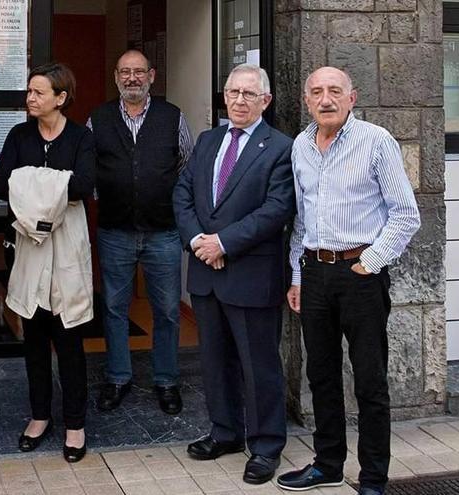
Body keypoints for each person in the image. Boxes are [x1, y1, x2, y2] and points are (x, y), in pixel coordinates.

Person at [276, 67, 421, 495]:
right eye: (317, 92)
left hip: (361, 274)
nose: (326, 99)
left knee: (370, 380)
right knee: (320, 375)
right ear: (306, 100)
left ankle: (374, 477)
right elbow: (301, 219)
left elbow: (406, 214)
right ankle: (328, 464)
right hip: (315, 272)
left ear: (352, 97)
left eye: (335, 91)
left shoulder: (376, 142)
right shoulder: (301, 146)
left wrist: (370, 261)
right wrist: (299, 274)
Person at [173, 64, 294, 485]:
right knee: (214, 360)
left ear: (266, 100)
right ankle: (224, 432)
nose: (239, 100)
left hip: (250, 274)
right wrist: (198, 243)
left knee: (258, 366)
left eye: (248, 94)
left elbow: (277, 209)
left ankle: (265, 446)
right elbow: (183, 193)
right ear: (224, 96)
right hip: (207, 274)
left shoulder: (280, 147)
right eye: (233, 92)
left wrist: (223, 242)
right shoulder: (207, 141)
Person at [0, 62, 95, 463]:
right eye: (29, 92)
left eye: (38, 92)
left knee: (69, 340)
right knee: (33, 339)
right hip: (27, 247)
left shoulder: (81, 138)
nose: (30, 99)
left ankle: (74, 424)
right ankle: (38, 416)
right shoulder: (19, 134)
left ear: (60, 98)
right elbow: (1, 182)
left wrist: (29, 182)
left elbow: (84, 185)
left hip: (67, 247)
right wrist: (54, 184)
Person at [88, 49, 193, 415]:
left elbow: (186, 168)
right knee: (115, 309)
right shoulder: (98, 119)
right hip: (114, 231)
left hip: (163, 232)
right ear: (116, 76)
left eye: (138, 72)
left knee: (166, 310)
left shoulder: (172, 117)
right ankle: (118, 377)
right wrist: (113, 195)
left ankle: (166, 380)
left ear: (151, 76)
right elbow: (91, 169)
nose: (132, 78)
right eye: (125, 72)